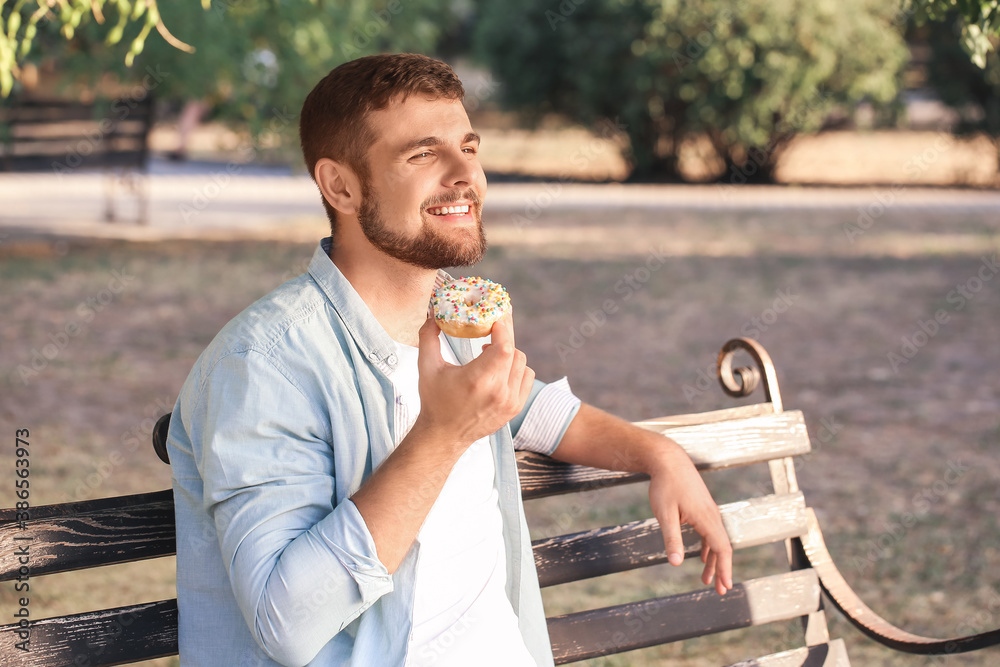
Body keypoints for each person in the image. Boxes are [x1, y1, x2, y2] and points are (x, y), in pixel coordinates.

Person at [165, 53, 733, 667]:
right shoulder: (263, 364)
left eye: (469, 147)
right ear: (340, 186)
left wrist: (658, 454)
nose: (466, 175)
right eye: (423, 154)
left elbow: (533, 409)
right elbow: (285, 624)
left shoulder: (453, 318)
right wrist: (441, 434)